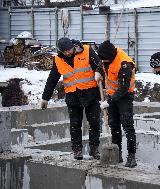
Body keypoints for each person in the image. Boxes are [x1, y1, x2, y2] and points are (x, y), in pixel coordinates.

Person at [41, 37, 101, 160]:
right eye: (65, 51)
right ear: (60, 51)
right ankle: (77, 149)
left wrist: (99, 73)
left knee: (94, 123)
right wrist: (45, 98)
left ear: (73, 46)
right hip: (73, 96)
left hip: (91, 93)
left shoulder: (87, 51)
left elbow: (99, 66)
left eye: (69, 50)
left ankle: (94, 149)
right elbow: (52, 79)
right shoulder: (58, 59)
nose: (68, 53)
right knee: (75, 125)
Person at [95, 40, 137, 168]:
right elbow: (101, 62)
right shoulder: (106, 55)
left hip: (125, 96)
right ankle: (117, 154)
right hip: (111, 94)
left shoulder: (125, 64)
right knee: (114, 125)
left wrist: (108, 102)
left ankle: (131, 156)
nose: (102, 61)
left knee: (127, 125)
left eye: (104, 59)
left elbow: (123, 88)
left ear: (109, 56)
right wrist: (98, 71)